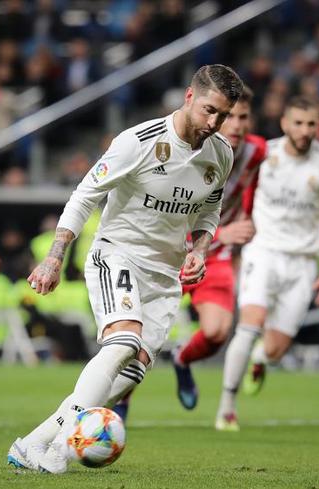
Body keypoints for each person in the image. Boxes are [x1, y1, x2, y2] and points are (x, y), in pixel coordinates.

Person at [7, 64, 243, 474]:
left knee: (130, 373)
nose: (214, 123)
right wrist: (54, 257)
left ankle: (32, 443)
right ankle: (59, 451)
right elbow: (85, 195)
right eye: (209, 110)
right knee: (122, 344)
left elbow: (210, 209)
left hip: (165, 277)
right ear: (189, 96)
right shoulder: (138, 142)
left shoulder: (221, 153)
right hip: (117, 255)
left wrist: (201, 250)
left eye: (223, 115)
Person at [114, 86, 266, 417]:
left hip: (213, 253)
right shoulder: (186, 147)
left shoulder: (256, 152)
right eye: (228, 117)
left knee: (217, 332)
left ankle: (182, 359)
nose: (236, 125)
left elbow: (250, 192)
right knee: (139, 331)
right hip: (168, 250)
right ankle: (121, 399)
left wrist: (243, 227)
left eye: (242, 117)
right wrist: (224, 232)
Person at [215, 96, 319, 431]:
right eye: (298, 123)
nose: (305, 131)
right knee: (249, 325)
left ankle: (261, 360)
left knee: (276, 348)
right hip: (262, 251)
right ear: (284, 124)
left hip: (303, 262)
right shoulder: (265, 155)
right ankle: (227, 407)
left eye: (311, 124)